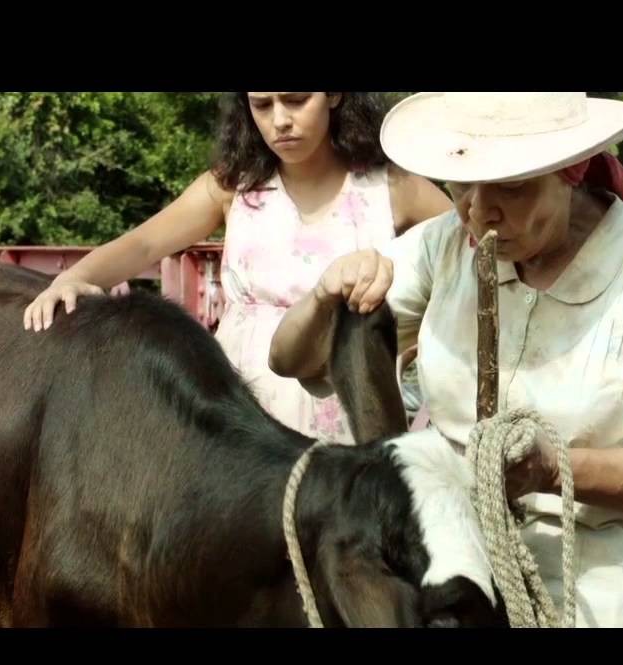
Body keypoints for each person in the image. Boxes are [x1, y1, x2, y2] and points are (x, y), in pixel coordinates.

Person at [267, 92, 623, 627]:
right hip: (454, 564)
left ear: (571, 173)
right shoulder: (446, 246)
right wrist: (326, 294)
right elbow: (292, 359)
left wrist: (551, 468)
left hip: (594, 578)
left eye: (511, 187)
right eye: (463, 186)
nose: (479, 211)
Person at [23, 92, 452, 442]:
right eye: (262, 105)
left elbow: (465, 250)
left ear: (335, 96)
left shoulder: (390, 186)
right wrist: (74, 277)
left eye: (296, 100)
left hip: (349, 414)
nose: (279, 120)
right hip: (238, 412)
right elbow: (146, 242)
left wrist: (424, 338)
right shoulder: (234, 186)